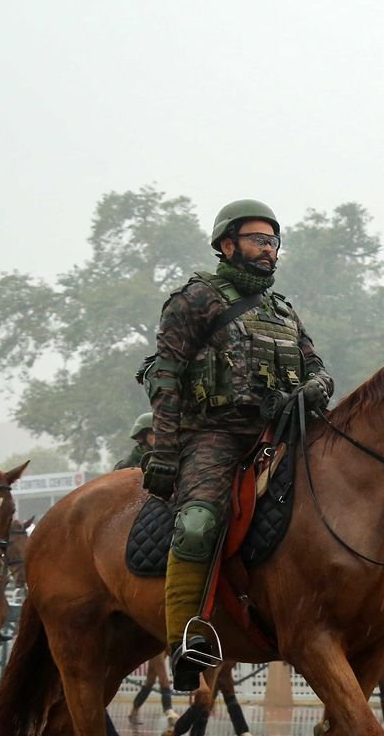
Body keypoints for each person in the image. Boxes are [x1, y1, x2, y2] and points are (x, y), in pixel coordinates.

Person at [142, 199, 333, 693]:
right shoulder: (196, 298)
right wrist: (164, 450)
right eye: (257, 240)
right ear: (227, 245)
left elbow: (314, 365)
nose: (269, 250)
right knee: (199, 521)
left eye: (273, 242)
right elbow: (164, 375)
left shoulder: (281, 308)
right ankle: (188, 638)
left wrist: (317, 386)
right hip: (216, 433)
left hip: (284, 432)